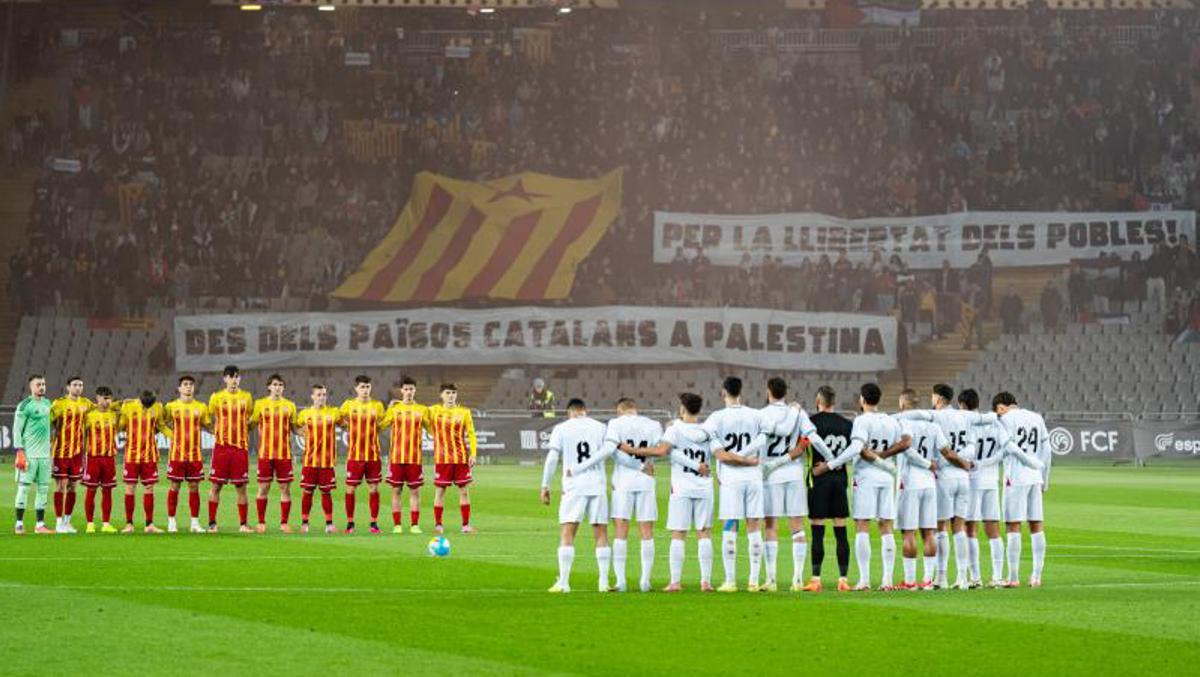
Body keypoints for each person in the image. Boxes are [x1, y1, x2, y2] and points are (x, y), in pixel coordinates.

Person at [814, 383, 908, 590]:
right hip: (887, 477)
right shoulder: (890, 421)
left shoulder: (862, 421)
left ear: (862, 400)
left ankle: (864, 580)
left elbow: (856, 448)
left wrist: (829, 465)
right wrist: (884, 456)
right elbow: (902, 443)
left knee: (862, 526)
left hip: (866, 477)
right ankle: (887, 580)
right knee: (886, 526)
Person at [621, 393, 713, 592]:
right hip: (704, 486)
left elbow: (661, 451)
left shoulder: (674, 429)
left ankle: (675, 582)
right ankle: (705, 581)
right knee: (704, 533)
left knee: (678, 533)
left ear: (682, 409)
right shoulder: (707, 430)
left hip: (681, 487)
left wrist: (632, 450)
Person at [758, 378, 838, 592]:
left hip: (770, 474)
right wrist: (831, 460)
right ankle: (797, 579)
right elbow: (814, 438)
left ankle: (772, 579)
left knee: (771, 526)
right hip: (793, 473)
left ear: (769, 392)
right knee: (797, 526)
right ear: (786, 393)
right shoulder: (798, 413)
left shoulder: (762, 414)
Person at [895, 384, 977, 589]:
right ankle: (961, 577)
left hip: (936, 478)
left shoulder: (928, 418)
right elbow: (964, 447)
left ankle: (937, 578)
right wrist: (965, 463)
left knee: (934, 530)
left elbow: (943, 455)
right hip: (960, 479)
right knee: (957, 529)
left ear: (938, 398)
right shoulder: (962, 417)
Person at [577, 397, 662, 592]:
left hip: (623, 482)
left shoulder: (615, 424)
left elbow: (613, 452)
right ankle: (645, 581)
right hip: (646, 481)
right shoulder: (653, 424)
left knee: (621, 531)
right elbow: (660, 450)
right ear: (635, 409)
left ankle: (621, 581)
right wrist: (643, 464)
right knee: (646, 532)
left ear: (619, 410)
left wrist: (635, 464)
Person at [960, 389, 1044, 587]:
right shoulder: (1005, 422)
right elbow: (1010, 449)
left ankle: (977, 577)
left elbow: (1003, 449)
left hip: (979, 480)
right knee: (1000, 530)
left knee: (972, 529)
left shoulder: (977, 423)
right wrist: (1038, 469)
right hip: (998, 481)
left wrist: (977, 463)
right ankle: (1004, 575)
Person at [703, 376, 769, 592]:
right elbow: (766, 436)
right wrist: (747, 457)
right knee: (754, 527)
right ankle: (753, 581)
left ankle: (730, 581)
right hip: (753, 477)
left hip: (731, 478)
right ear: (741, 392)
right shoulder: (756, 415)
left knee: (730, 527)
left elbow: (715, 450)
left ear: (723, 392)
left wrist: (737, 457)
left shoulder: (716, 418)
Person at [540, 398, 611, 593]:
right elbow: (611, 452)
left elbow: (552, 458)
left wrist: (545, 485)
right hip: (597, 486)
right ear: (585, 410)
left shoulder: (562, 428)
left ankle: (564, 583)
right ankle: (603, 583)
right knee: (601, 534)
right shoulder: (600, 427)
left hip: (574, 487)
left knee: (568, 532)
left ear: (569, 412)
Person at [993, 392, 1051, 587]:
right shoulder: (1036, 417)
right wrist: (1044, 478)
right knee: (1036, 525)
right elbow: (1047, 450)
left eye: (998, 411)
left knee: (1013, 525)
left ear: (1001, 407)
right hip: (1035, 477)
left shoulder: (1005, 420)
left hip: (1015, 477)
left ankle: (1014, 577)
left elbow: (1006, 449)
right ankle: (1036, 576)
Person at [800, 386, 853, 593]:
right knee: (841, 530)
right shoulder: (847, 424)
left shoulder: (811, 423)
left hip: (818, 480)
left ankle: (816, 579)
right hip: (839, 480)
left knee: (817, 531)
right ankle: (843, 579)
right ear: (834, 401)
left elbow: (804, 447)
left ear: (818, 400)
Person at [894, 389, 947, 589]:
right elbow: (945, 451)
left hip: (910, 482)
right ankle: (927, 580)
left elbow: (907, 450)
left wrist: (925, 463)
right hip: (929, 483)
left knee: (909, 533)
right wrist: (933, 465)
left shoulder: (903, 423)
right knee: (929, 532)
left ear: (902, 404)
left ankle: (909, 581)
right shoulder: (933, 425)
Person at [207, 365, 254, 533]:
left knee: (241, 487)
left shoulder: (246, 397)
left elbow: (249, 419)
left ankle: (243, 524)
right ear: (224, 379)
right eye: (230, 377)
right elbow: (208, 418)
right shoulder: (216, 397)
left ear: (239, 379)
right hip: (221, 448)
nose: (234, 380)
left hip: (240, 448)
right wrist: (217, 431)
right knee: (216, 486)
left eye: (236, 377)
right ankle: (212, 523)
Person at [426, 384, 477, 534]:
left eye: (453, 393)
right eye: (447, 393)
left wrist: (473, 454)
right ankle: (438, 525)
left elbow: (472, 434)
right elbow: (418, 414)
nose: (451, 396)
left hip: (461, 459)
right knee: (440, 492)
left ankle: (465, 525)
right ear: (441, 395)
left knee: (464, 492)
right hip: (442, 459)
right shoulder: (434, 410)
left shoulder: (464, 412)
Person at [250, 374, 298, 533]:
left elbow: (295, 429)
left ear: (283, 387)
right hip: (265, 454)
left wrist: (309, 431)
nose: (277, 387)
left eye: (280, 385)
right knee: (264, 487)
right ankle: (261, 522)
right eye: (275, 384)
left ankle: (284, 523)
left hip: (284, 454)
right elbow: (252, 424)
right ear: (269, 386)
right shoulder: (260, 404)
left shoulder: (290, 405)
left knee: (285, 488)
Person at [162, 375, 209, 534]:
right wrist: (172, 435)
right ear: (179, 388)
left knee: (194, 487)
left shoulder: (201, 407)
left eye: (191, 384)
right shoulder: (171, 406)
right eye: (185, 384)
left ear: (194, 388)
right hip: (177, 454)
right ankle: (171, 521)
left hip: (195, 455)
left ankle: (194, 523)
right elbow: (162, 424)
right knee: (175, 486)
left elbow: (207, 425)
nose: (188, 387)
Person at [340, 375, 386, 534]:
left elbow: (381, 425)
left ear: (370, 388)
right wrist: (347, 426)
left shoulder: (377, 406)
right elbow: (339, 419)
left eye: (367, 387)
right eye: (362, 387)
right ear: (356, 388)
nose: (365, 390)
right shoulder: (348, 405)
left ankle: (373, 523)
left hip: (373, 455)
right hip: (354, 455)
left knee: (373, 488)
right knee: (350, 488)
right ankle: (350, 523)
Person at [383, 376, 428, 534]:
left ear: (415, 391)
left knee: (415, 492)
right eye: (406, 389)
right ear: (401, 390)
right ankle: (397, 525)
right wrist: (387, 408)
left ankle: (415, 525)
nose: (409, 392)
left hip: (414, 458)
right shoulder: (394, 409)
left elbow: (432, 429)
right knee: (396, 491)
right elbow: (381, 425)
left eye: (411, 389)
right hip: (396, 457)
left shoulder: (422, 410)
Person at [295, 384, 340, 534]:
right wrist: (301, 432)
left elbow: (346, 424)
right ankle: (304, 523)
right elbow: (296, 428)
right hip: (310, 460)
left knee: (326, 492)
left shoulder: (334, 413)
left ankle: (329, 524)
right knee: (307, 492)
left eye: (324, 394)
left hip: (327, 462)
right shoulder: (304, 414)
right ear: (312, 396)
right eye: (319, 395)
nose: (322, 397)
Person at [50, 376, 92, 533]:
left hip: (77, 453)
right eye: (75, 385)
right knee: (60, 486)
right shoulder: (59, 404)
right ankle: (58, 522)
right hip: (61, 452)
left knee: (73, 486)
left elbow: (101, 408)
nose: (78, 388)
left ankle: (67, 522)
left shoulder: (86, 403)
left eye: (80, 385)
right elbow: (47, 422)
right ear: (68, 387)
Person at [119, 390, 164, 534]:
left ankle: (149, 524)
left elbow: (161, 425)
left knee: (149, 488)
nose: (146, 409)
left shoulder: (158, 407)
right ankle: (129, 524)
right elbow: (120, 426)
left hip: (149, 455)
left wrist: (174, 436)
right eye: (144, 406)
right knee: (130, 488)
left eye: (148, 407)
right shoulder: (128, 406)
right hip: (132, 455)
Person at [13, 375, 53, 534]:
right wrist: (20, 452)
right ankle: (19, 524)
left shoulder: (47, 403)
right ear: (31, 387)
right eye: (38, 384)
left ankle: (40, 525)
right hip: (29, 455)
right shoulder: (25, 405)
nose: (42, 387)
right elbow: (17, 429)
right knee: (23, 488)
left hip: (44, 456)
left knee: (43, 489)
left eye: (43, 384)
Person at [82, 386, 119, 533]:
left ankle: (106, 524)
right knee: (91, 490)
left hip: (109, 458)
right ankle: (90, 523)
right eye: (104, 398)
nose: (106, 401)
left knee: (107, 490)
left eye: (109, 398)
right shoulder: (89, 416)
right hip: (93, 458)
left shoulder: (114, 415)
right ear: (97, 398)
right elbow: (82, 435)